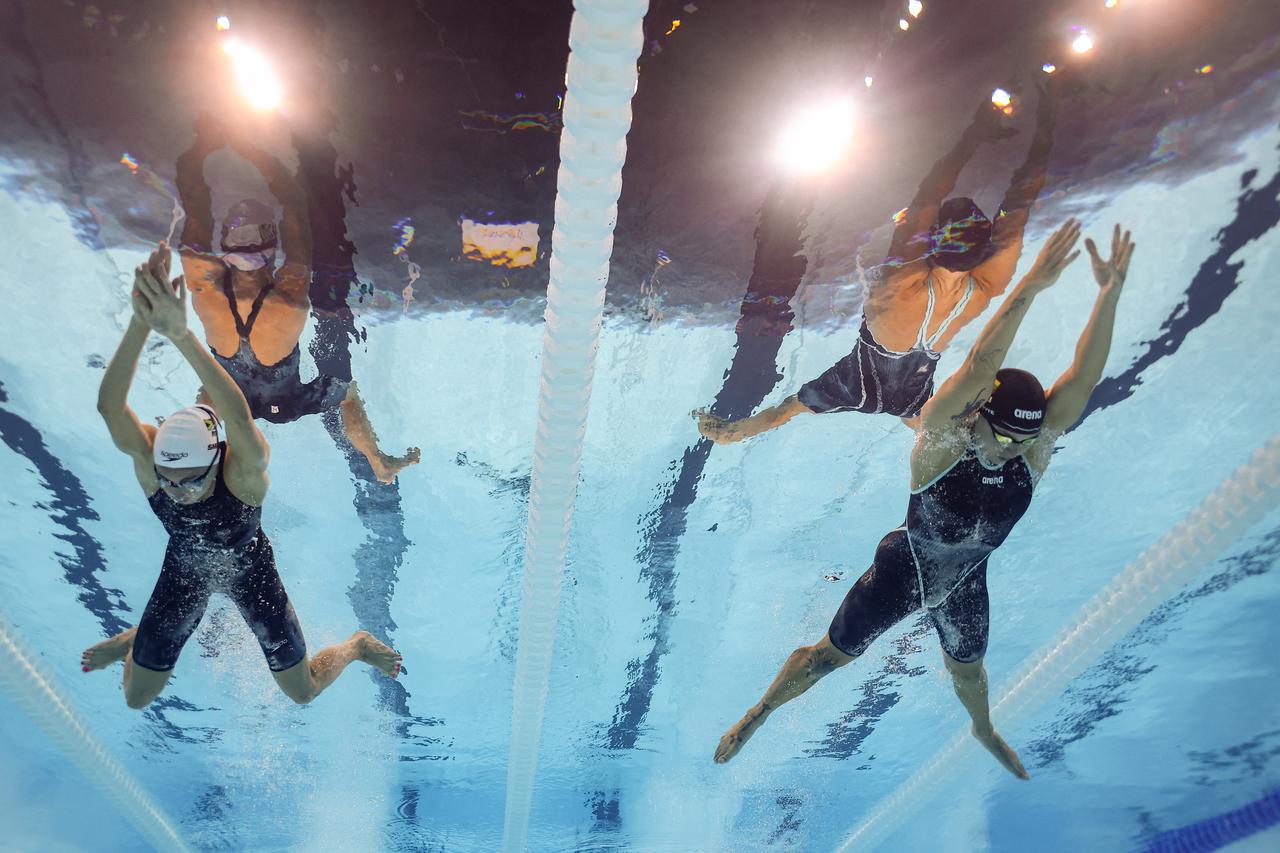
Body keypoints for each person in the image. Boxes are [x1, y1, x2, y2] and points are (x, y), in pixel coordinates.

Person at [713, 220, 1136, 778]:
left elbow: (1082, 379)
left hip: (966, 581)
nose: (1014, 449)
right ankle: (759, 712)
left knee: (970, 676)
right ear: (978, 412)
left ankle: (983, 728)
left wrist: (1109, 294)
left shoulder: (1031, 450)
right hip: (904, 567)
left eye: (1024, 440)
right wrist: (1031, 286)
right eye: (1004, 436)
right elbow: (981, 364)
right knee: (827, 661)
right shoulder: (942, 440)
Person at [82, 244, 403, 709]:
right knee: (136, 698)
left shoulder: (244, 474)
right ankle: (138, 636)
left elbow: (237, 416)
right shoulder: (156, 463)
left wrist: (182, 336)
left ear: (218, 459)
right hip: (184, 575)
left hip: (252, 574)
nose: (178, 492)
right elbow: (109, 408)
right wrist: (140, 321)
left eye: (191, 481)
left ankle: (356, 646)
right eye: (169, 481)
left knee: (302, 692)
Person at [697, 87, 1057, 443]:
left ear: (930, 242)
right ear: (985, 248)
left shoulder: (902, 278)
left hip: (859, 380)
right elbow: (1021, 201)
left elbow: (931, 192)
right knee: (928, 428)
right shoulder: (987, 286)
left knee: (788, 409)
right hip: (916, 392)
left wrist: (973, 136)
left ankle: (730, 433)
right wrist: (1045, 129)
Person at [175, 114, 418, 484]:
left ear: (223, 248)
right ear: (272, 251)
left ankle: (195, 467)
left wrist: (202, 145)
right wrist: (254, 151)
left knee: (213, 394)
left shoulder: (202, 285)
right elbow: (294, 205)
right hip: (285, 401)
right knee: (346, 394)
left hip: (233, 402)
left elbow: (192, 195)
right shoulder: (288, 298)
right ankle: (376, 460)